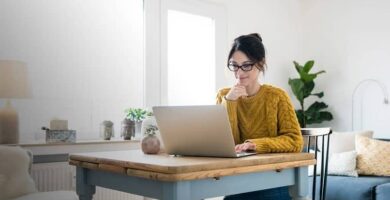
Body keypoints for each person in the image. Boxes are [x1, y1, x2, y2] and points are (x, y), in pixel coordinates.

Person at [216, 33, 304, 200]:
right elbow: (223, 144)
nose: (239, 72)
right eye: (234, 65)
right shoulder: (223, 96)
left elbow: (295, 141)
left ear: (261, 63)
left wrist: (255, 144)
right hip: (235, 181)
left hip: (271, 180)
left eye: (246, 65)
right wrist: (229, 102)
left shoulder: (277, 96)